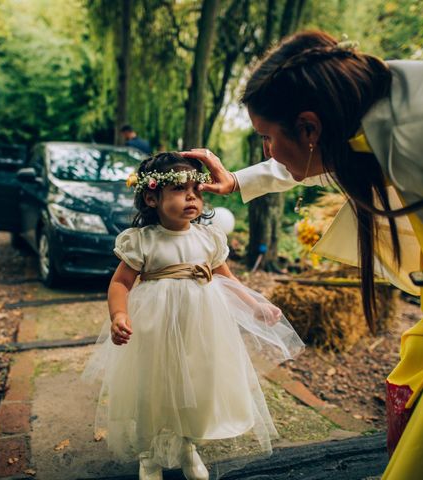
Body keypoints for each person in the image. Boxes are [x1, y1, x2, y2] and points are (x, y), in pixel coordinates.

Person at [182, 31, 423, 479]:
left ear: (310, 127)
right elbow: (310, 161)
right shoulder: (357, 122)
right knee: (417, 364)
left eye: (267, 138)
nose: (267, 151)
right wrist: (238, 180)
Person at [83, 152, 304, 480]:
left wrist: (254, 305)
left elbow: (227, 278)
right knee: (153, 385)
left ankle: (188, 444)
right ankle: (149, 453)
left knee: (198, 382)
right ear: (151, 197)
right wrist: (119, 315)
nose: (191, 197)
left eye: (197, 191)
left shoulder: (208, 237)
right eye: (178, 190)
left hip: (201, 325)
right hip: (155, 326)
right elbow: (121, 283)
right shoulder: (143, 241)